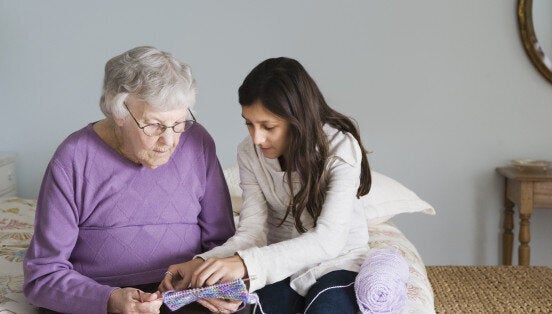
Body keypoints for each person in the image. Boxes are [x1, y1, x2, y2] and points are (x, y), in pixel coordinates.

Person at [22, 46, 235, 314]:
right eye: (154, 125)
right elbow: (42, 275)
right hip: (100, 295)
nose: (169, 141)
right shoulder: (74, 157)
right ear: (118, 113)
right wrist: (109, 300)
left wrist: (220, 285)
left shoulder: (197, 142)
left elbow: (224, 244)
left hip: (185, 295)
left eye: (179, 123)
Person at [161, 57, 372, 313]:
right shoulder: (248, 152)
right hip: (280, 268)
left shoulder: (340, 148)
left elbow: (329, 240)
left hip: (339, 263)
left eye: (268, 126)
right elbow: (252, 233)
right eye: (249, 123)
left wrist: (244, 264)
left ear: (298, 119)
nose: (257, 138)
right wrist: (202, 262)